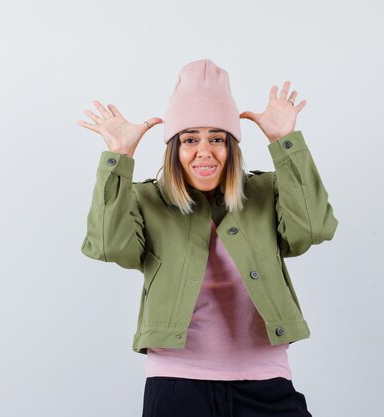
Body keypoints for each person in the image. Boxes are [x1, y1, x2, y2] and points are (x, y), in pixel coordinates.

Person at [76, 58, 338, 417]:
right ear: (174, 150)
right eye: (189, 139)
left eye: (217, 138)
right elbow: (108, 246)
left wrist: (284, 142)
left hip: (265, 380)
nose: (204, 151)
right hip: (176, 383)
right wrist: (120, 157)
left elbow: (312, 229)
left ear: (232, 147)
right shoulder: (147, 199)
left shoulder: (265, 191)